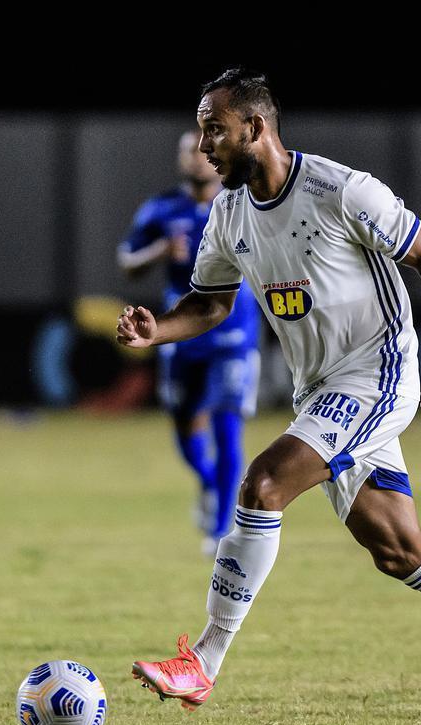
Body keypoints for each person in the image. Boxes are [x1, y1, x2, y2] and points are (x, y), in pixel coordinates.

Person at [117, 68, 421, 725]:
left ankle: (205, 663)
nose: (203, 145)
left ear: (256, 127)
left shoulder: (342, 189)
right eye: (199, 130)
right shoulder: (228, 213)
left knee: (264, 483)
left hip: (379, 373)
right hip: (321, 388)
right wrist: (159, 328)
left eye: (213, 128)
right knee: (398, 549)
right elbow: (214, 301)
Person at [118, 131, 262, 556]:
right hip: (180, 330)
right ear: (181, 160)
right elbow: (127, 261)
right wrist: (160, 251)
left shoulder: (242, 202)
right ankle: (209, 481)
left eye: (203, 149)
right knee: (185, 430)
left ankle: (220, 530)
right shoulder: (162, 208)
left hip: (234, 331)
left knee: (226, 422)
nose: (199, 157)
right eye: (189, 151)